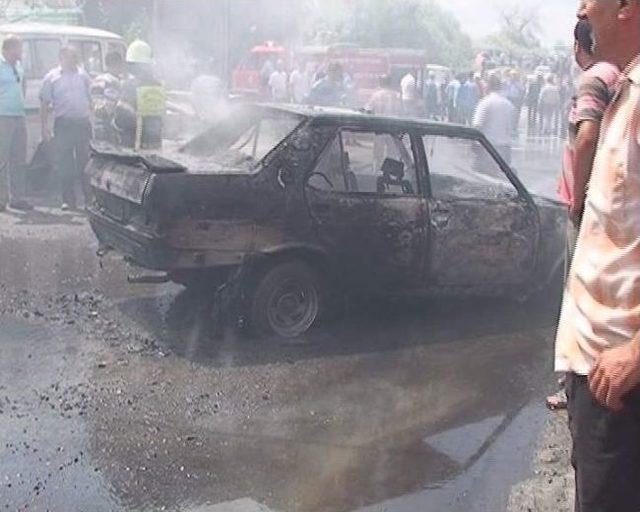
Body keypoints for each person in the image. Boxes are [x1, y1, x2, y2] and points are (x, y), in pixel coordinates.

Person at [555, 0, 640, 510]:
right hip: (600, 369)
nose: (583, 7)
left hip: (621, 378)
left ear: (628, 8)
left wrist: (636, 353)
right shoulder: (626, 88)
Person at [548, 18, 620, 412]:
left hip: (589, 202)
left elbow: (587, 136)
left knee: (576, 292)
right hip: (606, 202)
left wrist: (577, 200)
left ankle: (573, 384)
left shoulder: (594, 77)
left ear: (579, 48)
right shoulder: (621, 76)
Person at [40, 46, 92, 211]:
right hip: (64, 124)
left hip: (82, 123)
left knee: (85, 161)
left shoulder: (83, 75)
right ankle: (68, 200)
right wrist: (44, 126)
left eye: (74, 57)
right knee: (65, 163)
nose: (72, 61)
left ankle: (89, 199)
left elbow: (91, 98)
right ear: (61, 58)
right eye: (69, 58)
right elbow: (44, 103)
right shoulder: (51, 77)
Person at [114, 40, 164, 151]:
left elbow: (120, 120)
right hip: (154, 144)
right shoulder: (158, 86)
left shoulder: (128, 86)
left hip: (133, 145)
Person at [0, 35, 32, 212]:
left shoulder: (18, 66)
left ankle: (17, 198)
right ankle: (1, 198)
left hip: (19, 116)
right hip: (2, 117)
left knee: (19, 159)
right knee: (1, 159)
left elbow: (23, 85)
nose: (21, 52)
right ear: (9, 49)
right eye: (19, 48)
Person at [472, 73, 514, 165]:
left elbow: (477, 125)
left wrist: (473, 143)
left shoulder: (485, 102)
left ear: (488, 86)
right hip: (505, 147)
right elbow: (511, 128)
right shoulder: (508, 104)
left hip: (488, 147)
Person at [91, 51, 125, 144]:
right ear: (115, 64)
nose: (121, 67)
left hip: (104, 125)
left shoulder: (99, 79)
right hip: (105, 126)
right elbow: (102, 105)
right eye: (120, 64)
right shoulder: (107, 80)